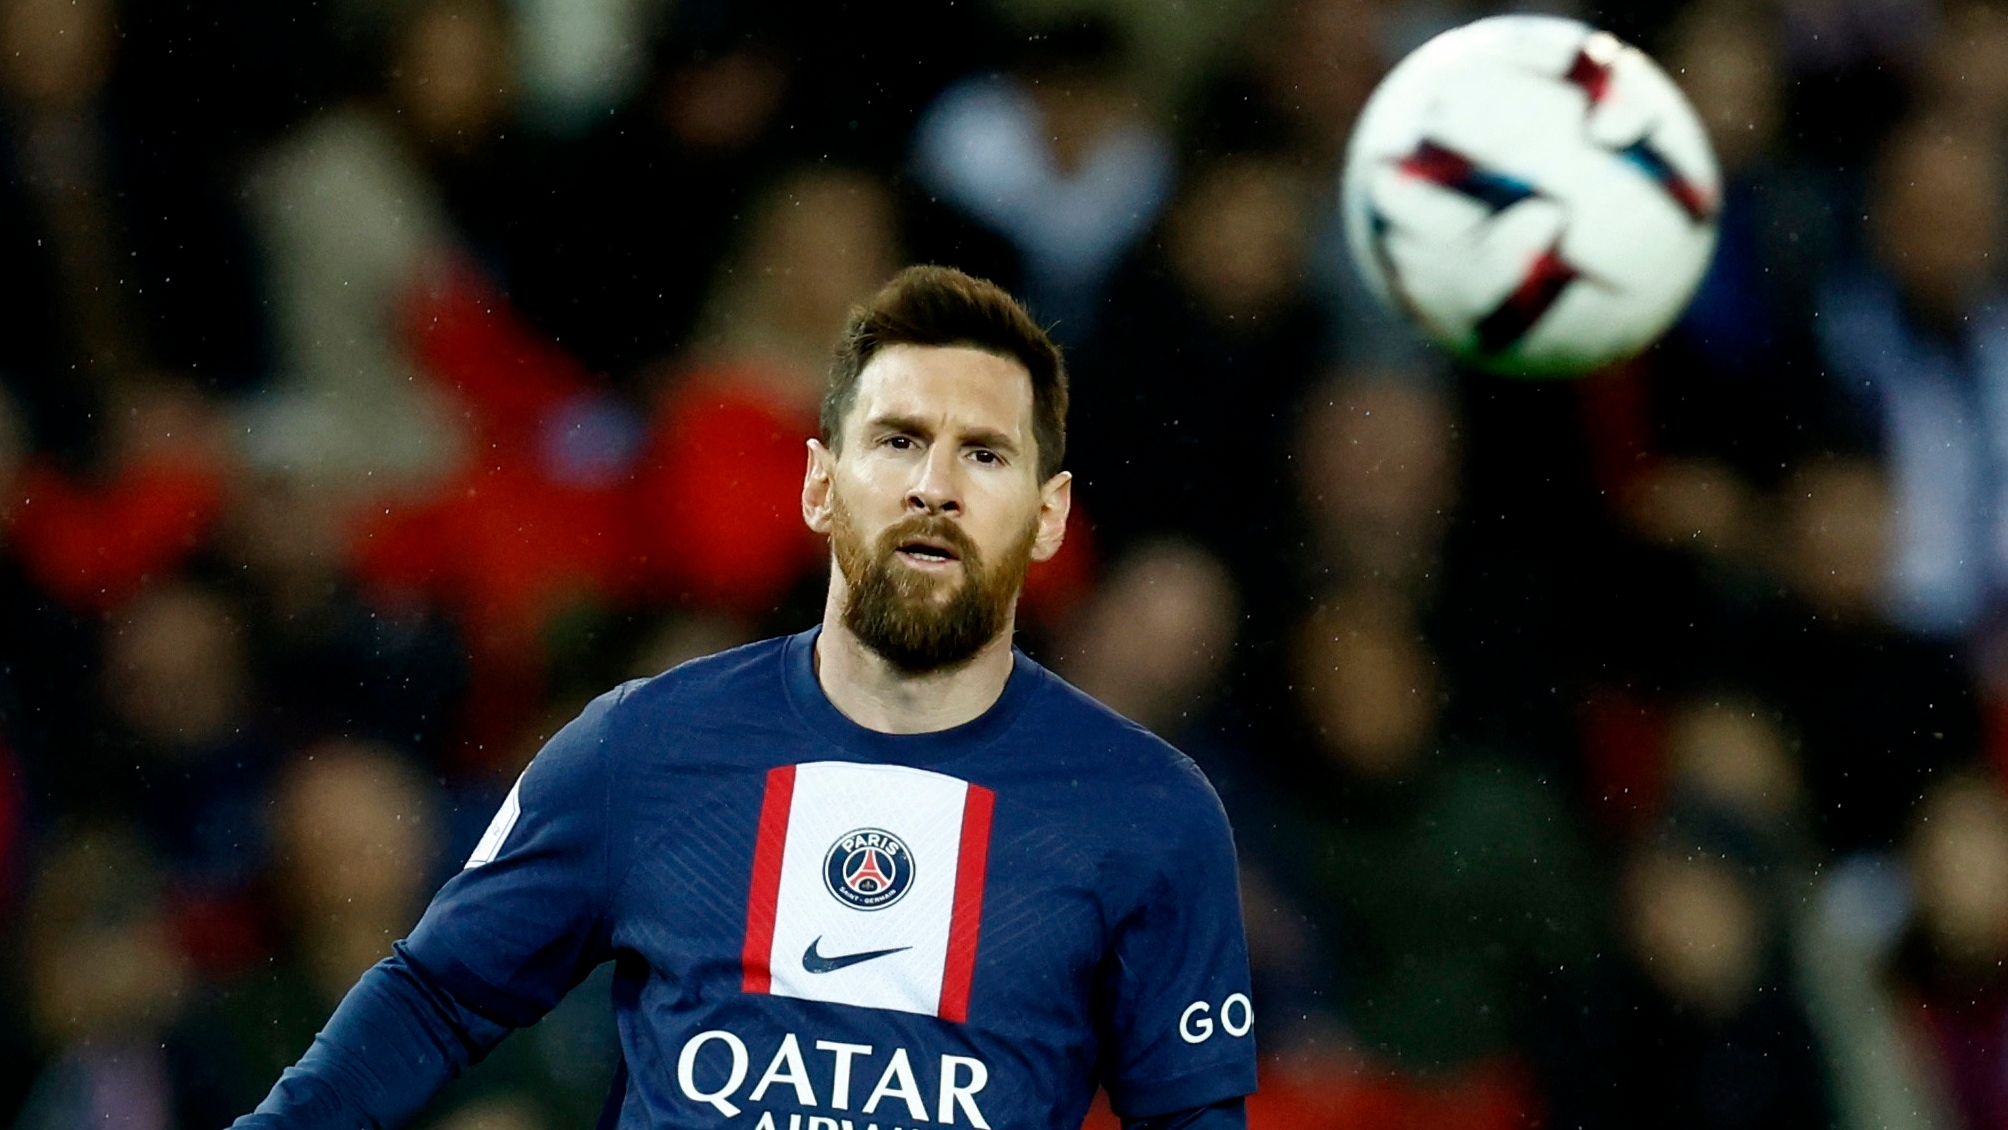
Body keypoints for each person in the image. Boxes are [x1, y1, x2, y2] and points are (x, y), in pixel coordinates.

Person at [231, 265, 1258, 1130]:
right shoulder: (640, 746)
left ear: (1048, 515)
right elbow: (436, 997)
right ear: (819, 483)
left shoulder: (1146, 810)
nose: (933, 485)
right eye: (897, 440)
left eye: (983, 453)